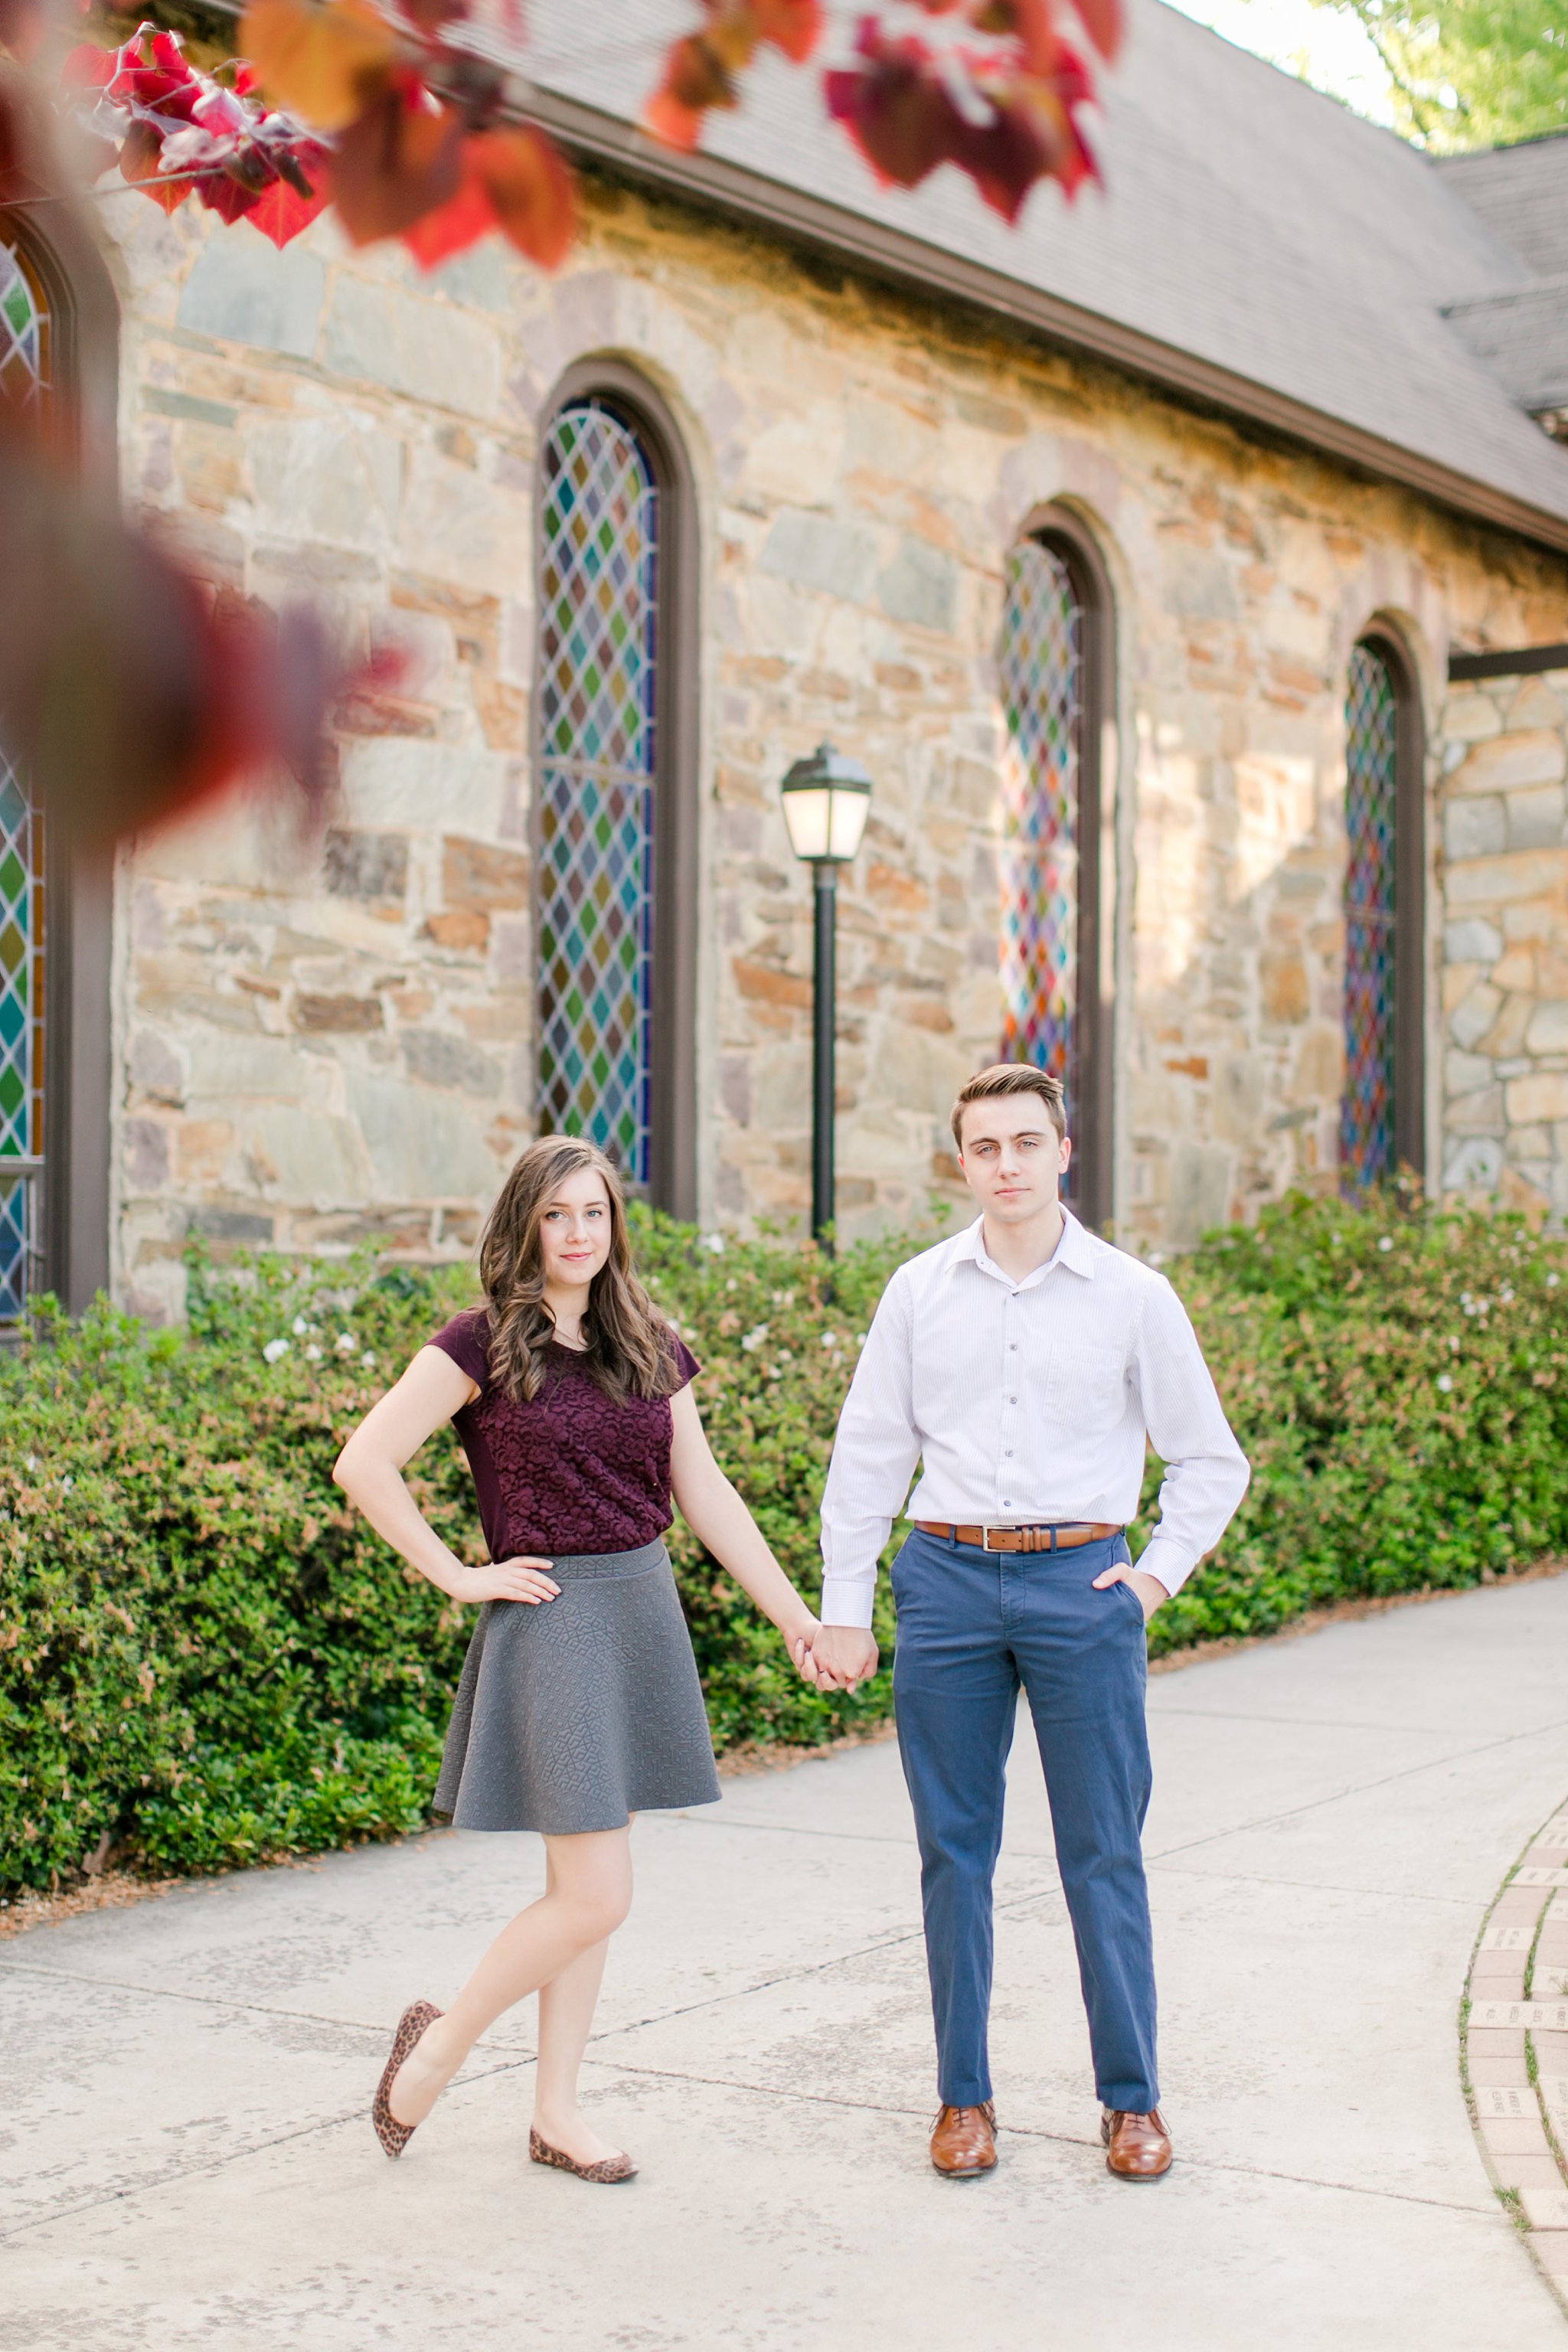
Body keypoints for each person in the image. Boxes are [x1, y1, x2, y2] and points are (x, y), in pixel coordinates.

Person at [334, 1135, 831, 2183]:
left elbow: (704, 1492)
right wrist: (459, 1574)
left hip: (641, 1605)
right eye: (556, 1214)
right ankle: (439, 2046)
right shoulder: (478, 1343)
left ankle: (555, 2111)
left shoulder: (649, 1339)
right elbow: (365, 1461)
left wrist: (794, 1617)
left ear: (616, 1224)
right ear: (524, 1223)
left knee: (582, 1882)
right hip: (552, 1612)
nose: (577, 1234)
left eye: (594, 1213)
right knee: (598, 1894)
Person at [807, 1063, 1250, 2182]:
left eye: (1024, 1143)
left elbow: (1210, 1460)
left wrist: (1150, 1581)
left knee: (1103, 1850)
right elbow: (868, 1457)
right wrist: (846, 1610)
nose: (1006, 1165)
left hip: (1082, 1588)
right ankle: (964, 2099)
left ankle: (1132, 2101)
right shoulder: (917, 1292)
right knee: (953, 1853)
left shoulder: (1133, 1295)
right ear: (963, 1162)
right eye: (984, 1148)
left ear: (1064, 1152)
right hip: (947, 1586)